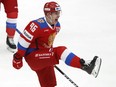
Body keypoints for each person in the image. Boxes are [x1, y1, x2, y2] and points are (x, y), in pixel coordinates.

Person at [12, 1, 102, 87]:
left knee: (49, 84)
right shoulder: (36, 25)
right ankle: (85, 66)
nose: (58, 15)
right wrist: (18, 58)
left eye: (59, 12)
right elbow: (22, 42)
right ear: (48, 14)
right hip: (33, 57)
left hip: (43, 56)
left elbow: (47, 42)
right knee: (60, 51)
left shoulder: (57, 26)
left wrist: (48, 56)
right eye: (56, 13)